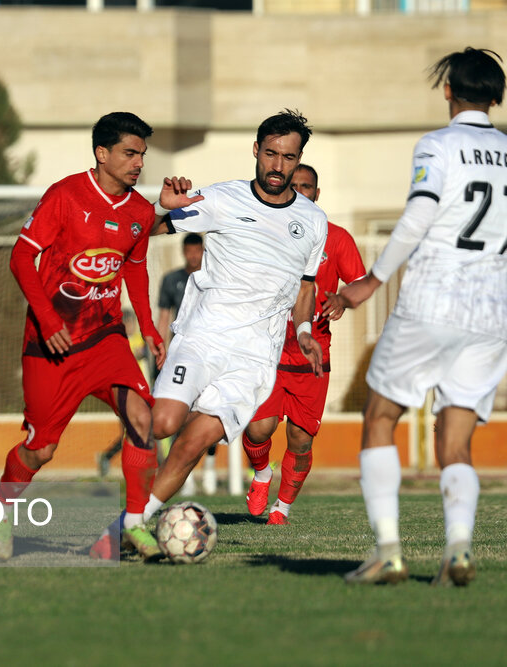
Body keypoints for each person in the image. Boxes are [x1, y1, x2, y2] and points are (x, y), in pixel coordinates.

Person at [322, 48, 507, 585]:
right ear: (496, 97)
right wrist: (491, 270)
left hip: (432, 302)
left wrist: (372, 280)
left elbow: (419, 216)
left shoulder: (438, 145)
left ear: (448, 90)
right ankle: (458, 550)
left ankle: (388, 551)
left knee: (380, 417)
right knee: (456, 439)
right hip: (491, 317)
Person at [0, 111, 175, 562]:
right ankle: (1, 504)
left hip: (106, 339)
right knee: (41, 450)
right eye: (130, 153)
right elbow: (20, 258)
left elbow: (134, 269)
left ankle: (133, 524)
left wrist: (148, 326)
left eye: (142, 155)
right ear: (101, 153)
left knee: (142, 419)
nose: (138, 163)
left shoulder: (139, 211)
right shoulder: (65, 195)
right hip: (52, 344)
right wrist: (48, 319)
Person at [137, 110, 329, 530]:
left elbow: (305, 287)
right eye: (271, 154)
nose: (278, 166)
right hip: (203, 338)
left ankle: (130, 524)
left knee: (193, 443)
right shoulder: (223, 198)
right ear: (256, 150)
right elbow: (144, 229)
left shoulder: (314, 222)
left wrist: (303, 331)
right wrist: (161, 206)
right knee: (164, 423)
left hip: (253, 359)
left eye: (289, 157)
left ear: (299, 160)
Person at [243, 163, 366, 525]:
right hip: (269, 351)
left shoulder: (337, 238)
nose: (300, 191)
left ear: (317, 193)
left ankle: (281, 508)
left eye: (306, 186)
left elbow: (360, 284)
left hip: (311, 358)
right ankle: (262, 474)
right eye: (293, 185)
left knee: (300, 439)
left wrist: (342, 299)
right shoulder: (267, 230)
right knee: (258, 428)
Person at [156, 233, 218, 495]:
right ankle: (185, 476)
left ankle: (210, 469)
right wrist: (160, 349)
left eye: (197, 251)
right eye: (189, 251)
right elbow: (163, 317)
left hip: (209, 356)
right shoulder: (172, 280)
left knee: (210, 411)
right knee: (178, 415)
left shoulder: (214, 278)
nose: (193, 256)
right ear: (183, 252)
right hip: (180, 357)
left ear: (203, 251)